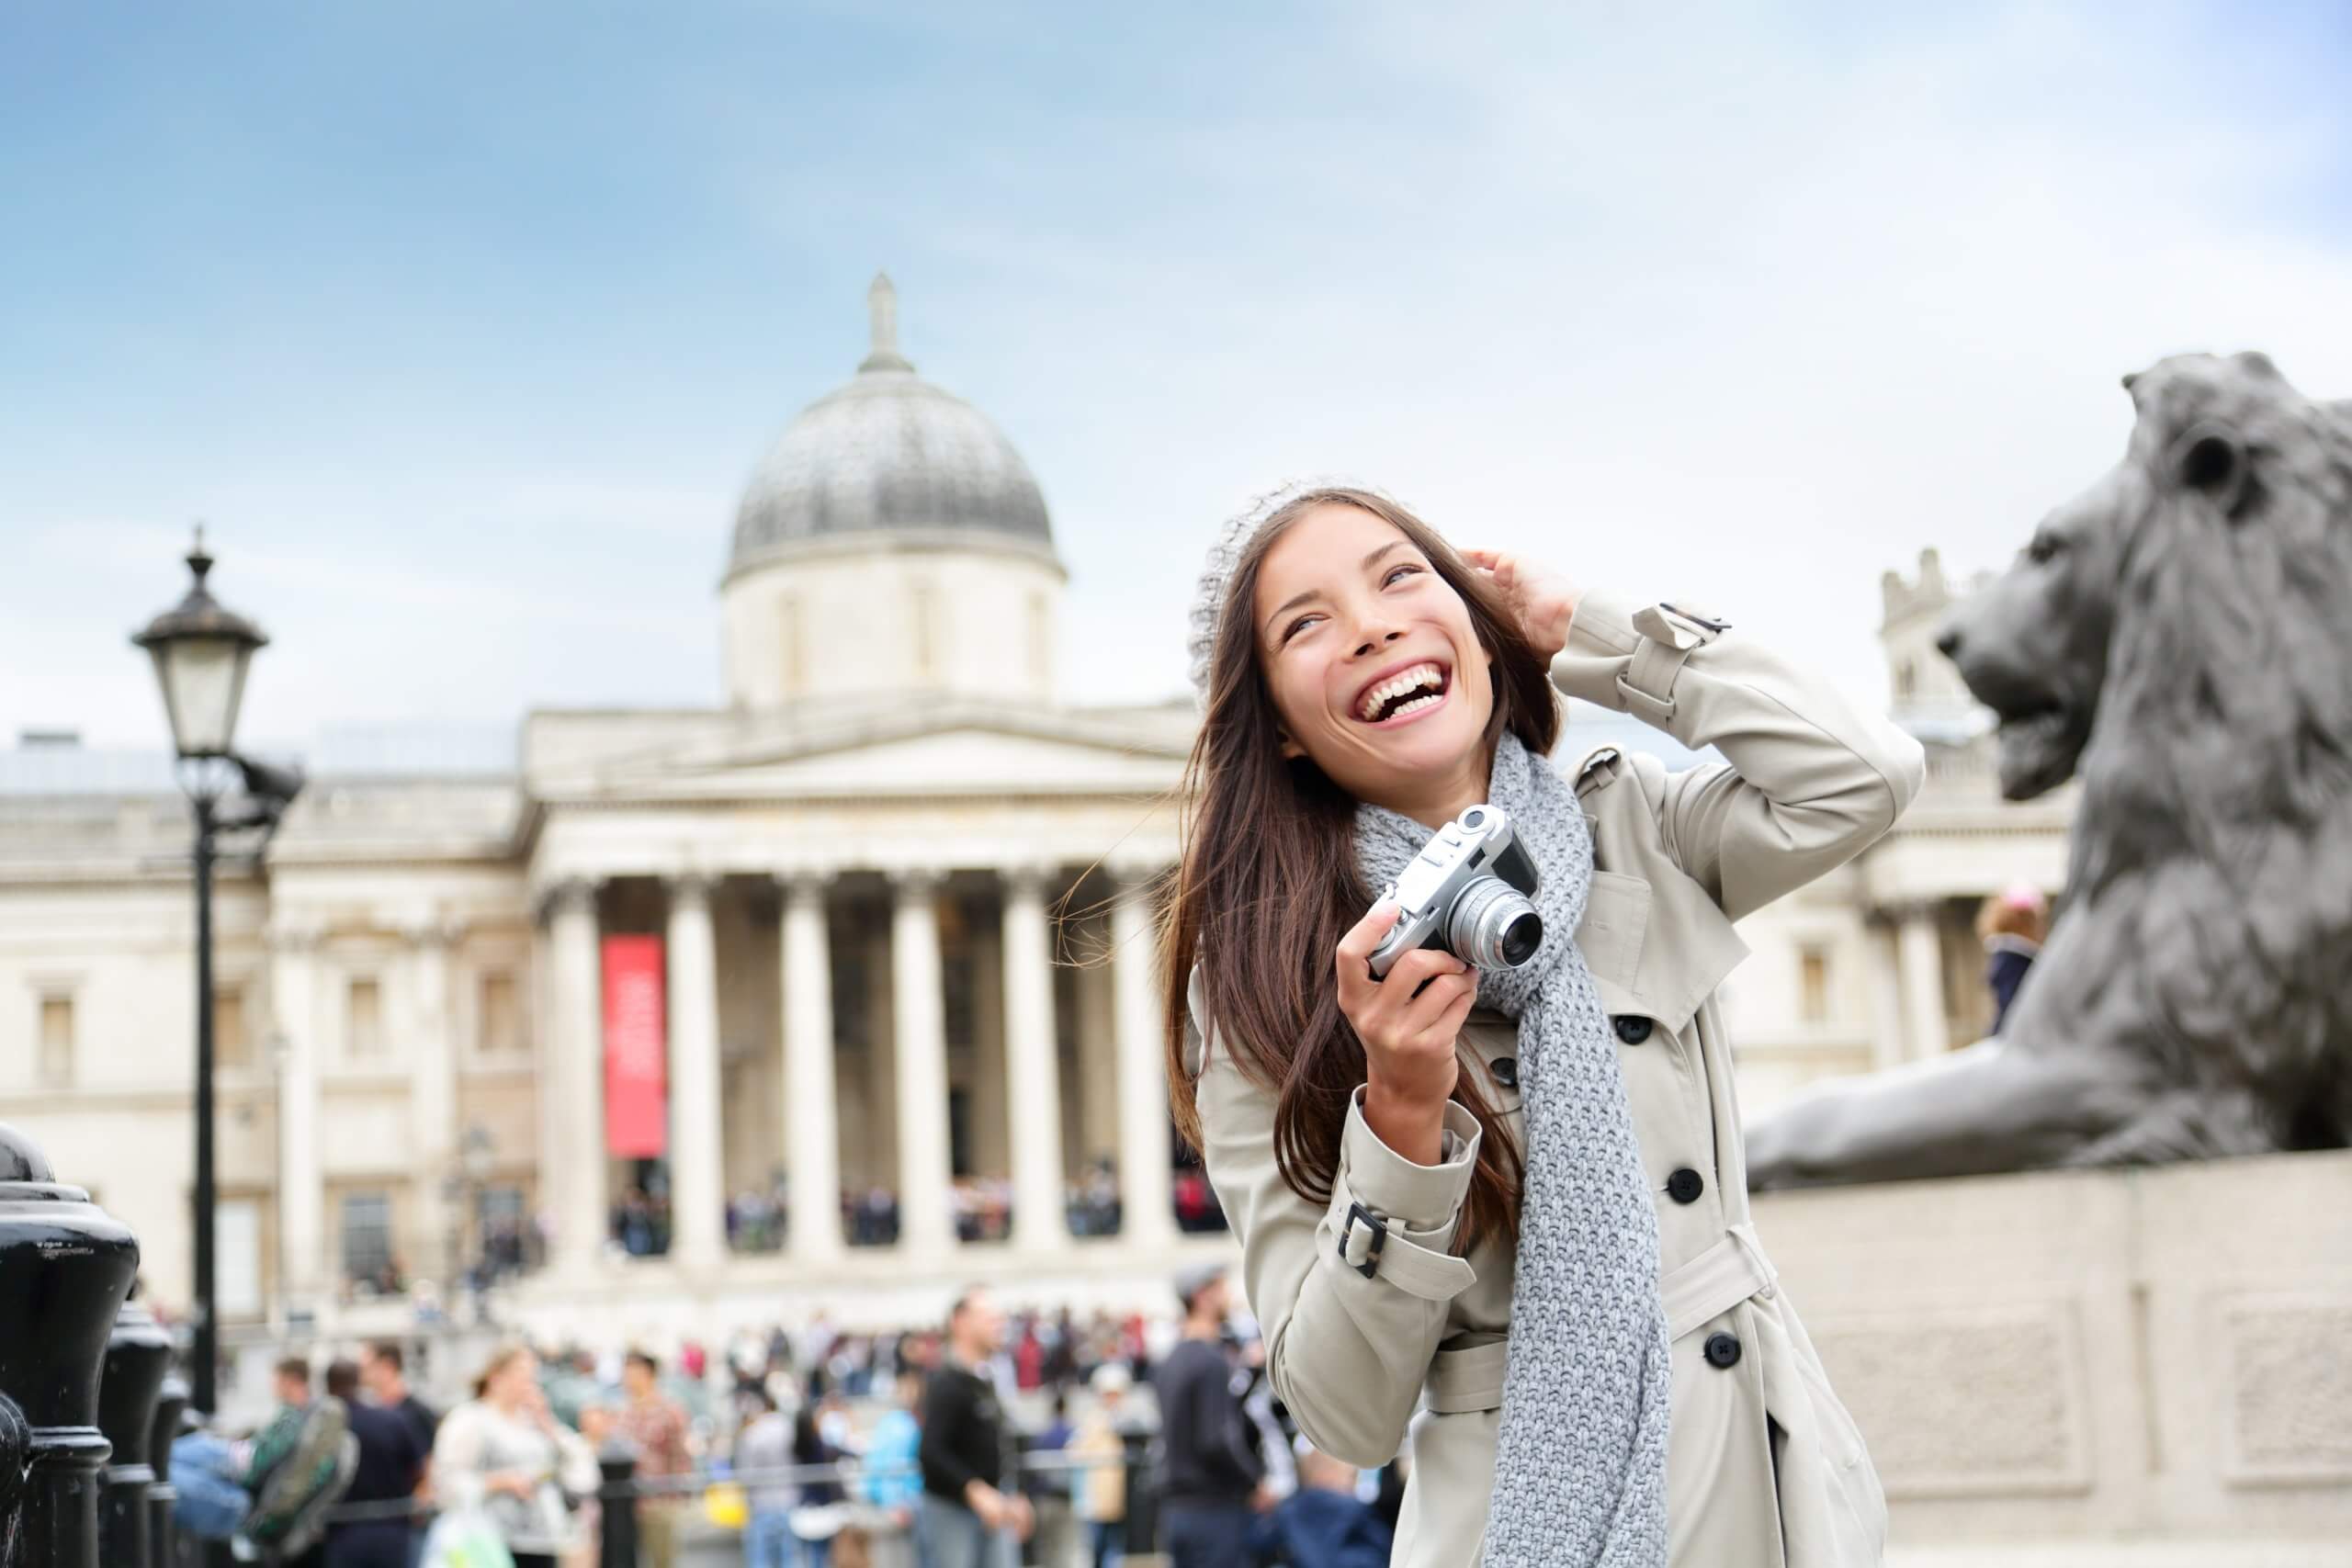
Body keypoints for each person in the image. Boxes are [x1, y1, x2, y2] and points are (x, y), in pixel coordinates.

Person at [1165, 483, 1916, 1566]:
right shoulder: (1256, 982)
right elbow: (1346, 1415)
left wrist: (1594, 631)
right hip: (1510, 1516)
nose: (1372, 624)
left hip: (1760, 1491)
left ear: (1474, 621)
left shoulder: (1635, 826)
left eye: (1400, 577)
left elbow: (1865, 777)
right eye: (1306, 622)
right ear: (1277, 728)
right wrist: (1401, 1116)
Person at [430, 1344, 599, 1568]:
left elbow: (584, 1471)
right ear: (496, 1377)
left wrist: (549, 1426)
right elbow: (445, 1481)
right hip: (488, 1542)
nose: (527, 1384)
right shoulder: (470, 1419)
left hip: (542, 1541)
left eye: (531, 1376)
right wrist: (499, 1482)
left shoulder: (537, 1422)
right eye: (520, 1374)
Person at [1152, 1265, 1266, 1567]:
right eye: (1221, 1289)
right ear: (1203, 1297)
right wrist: (1255, 1483)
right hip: (1214, 1512)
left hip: (1178, 1512)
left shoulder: (1170, 1362)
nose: (1228, 1297)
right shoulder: (1210, 1360)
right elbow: (1216, 1439)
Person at [918, 1287, 1032, 1568]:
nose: (999, 1324)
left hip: (993, 1510)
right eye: (988, 1317)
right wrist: (975, 1491)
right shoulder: (946, 1382)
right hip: (954, 1513)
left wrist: (1015, 1493)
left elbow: (1005, 1442)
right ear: (960, 1322)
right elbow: (931, 1451)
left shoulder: (987, 1379)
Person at [323, 1359, 427, 1568]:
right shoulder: (392, 1420)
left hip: (342, 1530)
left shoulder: (325, 1430)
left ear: (328, 1386)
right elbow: (419, 1469)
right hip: (394, 1528)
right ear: (359, 1382)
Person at [359, 1341, 437, 1566]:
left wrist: (419, 1502)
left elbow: (429, 1463)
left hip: (408, 1525)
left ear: (387, 1366)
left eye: (368, 1366)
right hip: (378, 1523)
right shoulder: (373, 1413)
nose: (363, 1373)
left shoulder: (416, 1413)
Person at [616, 1348, 695, 1568]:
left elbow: (681, 1454)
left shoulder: (670, 1410)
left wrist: (678, 1495)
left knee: (662, 1560)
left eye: (632, 1372)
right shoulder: (623, 1411)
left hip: (660, 1500)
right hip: (627, 1500)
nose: (627, 1379)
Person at [1251, 1447, 1391, 1568]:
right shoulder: (1354, 1508)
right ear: (1331, 1473)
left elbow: (1259, 1542)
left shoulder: (1289, 1508)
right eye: (1351, 1476)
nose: (1352, 1484)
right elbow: (1383, 1544)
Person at [1069, 1364, 1133, 1568]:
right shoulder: (1093, 1422)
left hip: (1115, 1501)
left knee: (1113, 1549)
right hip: (1095, 1501)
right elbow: (1075, 1452)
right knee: (1096, 1549)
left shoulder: (1123, 1422)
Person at [736, 1391, 797, 1568]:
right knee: (790, 1558)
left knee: (760, 1559)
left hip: (762, 1504)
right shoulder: (788, 1428)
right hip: (788, 1499)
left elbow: (745, 1473)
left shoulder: (752, 1433)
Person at [1978, 881, 2049, 1034]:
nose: (2041, 927)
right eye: (2037, 920)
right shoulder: (2015, 961)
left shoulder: (2008, 957)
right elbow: (2013, 1009)